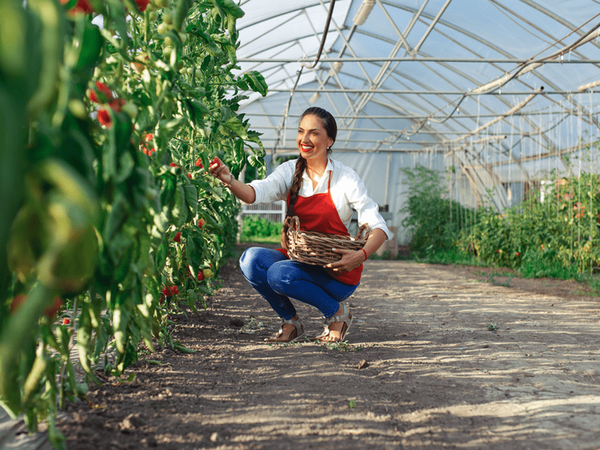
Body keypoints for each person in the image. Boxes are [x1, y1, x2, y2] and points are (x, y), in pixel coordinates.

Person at [209, 107, 391, 343]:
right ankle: (291, 322)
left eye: (314, 133)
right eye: (301, 131)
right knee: (250, 260)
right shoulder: (289, 171)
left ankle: (337, 313)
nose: (304, 140)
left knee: (278, 273)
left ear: (329, 140)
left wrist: (361, 255)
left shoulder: (344, 178)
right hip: (301, 261)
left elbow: (378, 226)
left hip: (336, 271)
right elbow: (255, 193)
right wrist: (230, 180)